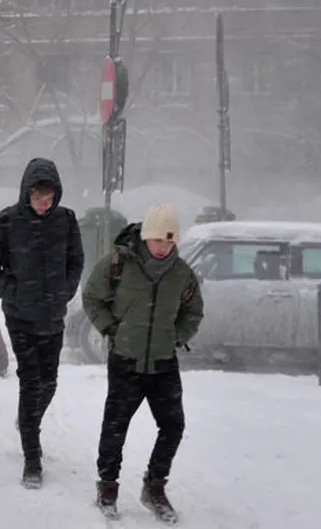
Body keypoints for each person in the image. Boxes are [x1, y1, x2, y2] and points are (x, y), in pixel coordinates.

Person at [80, 203, 204, 524]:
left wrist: (176, 336)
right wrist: (111, 328)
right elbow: (91, 296)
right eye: (158, 240)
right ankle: (107, 487)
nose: (164, 248)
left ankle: (154, 487)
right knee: (115, 427)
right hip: (126, 360)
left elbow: (193, 311)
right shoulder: (119, 264)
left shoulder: (182, 274)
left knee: (173, 426)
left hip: (163, 363)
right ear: (146, 237)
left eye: (170, 241)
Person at [0, 157, 84, 489]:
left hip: (53, 317)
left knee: (49, 384)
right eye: (38, 196)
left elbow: (76, 261)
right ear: (27, 192)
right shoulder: (8, 221)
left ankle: (28, 423)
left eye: (49, 196)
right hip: (21, 318)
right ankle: (32, 459)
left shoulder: (66, 221)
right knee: (31, 382)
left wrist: (65, 292)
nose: (44, 202)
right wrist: (15, 294)